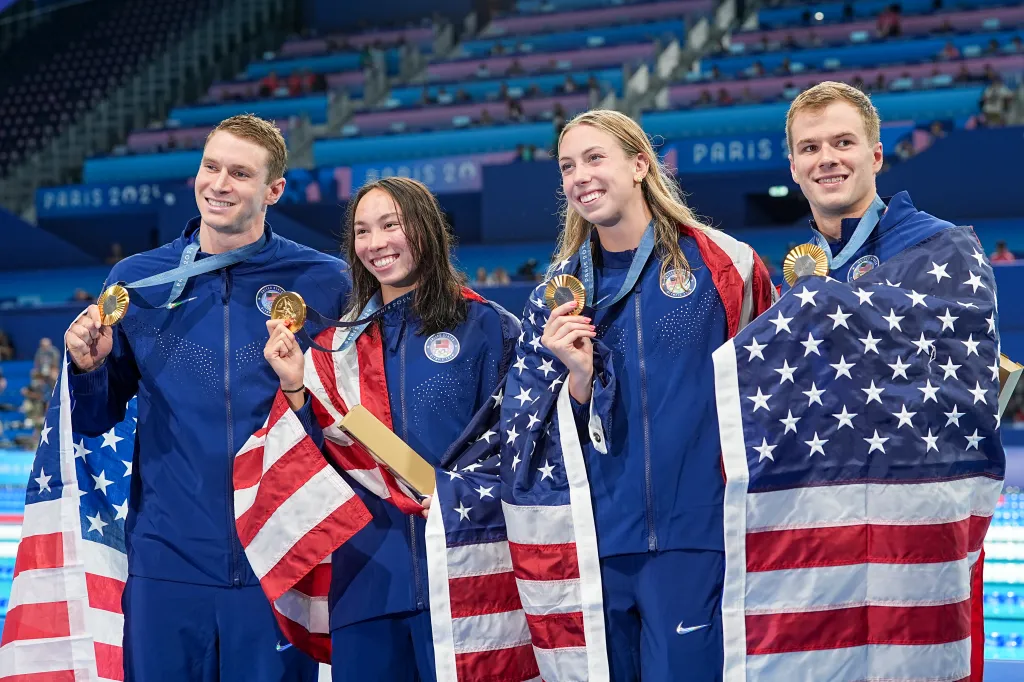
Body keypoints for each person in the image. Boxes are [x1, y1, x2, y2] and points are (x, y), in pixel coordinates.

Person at [63, 114, 346, 681]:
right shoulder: (137, 281)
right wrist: (87, 369)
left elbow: (344, 417)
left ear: (274, 190)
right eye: (210, 167)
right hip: (168, 559)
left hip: (278, 554)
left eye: (240, 173)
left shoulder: (323, 281)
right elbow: (97, 418)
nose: (218, 183)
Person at [533, 109, 773, 680]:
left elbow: (770, 395)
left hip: (699, 534)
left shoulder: (727, 264)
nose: (580, 176)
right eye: (568, 166)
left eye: (595, 158)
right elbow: (533, 428)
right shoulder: (560, 292)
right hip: (595, 545)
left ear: (641, 165)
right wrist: (578, 380)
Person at [258, 177, 520, 681]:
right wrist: (295, 389)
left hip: (467, 576)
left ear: (425, 230)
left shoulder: (488, 328)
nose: (375, 243)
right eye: (362, 230)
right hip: (367, 583)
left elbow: (515, 449)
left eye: (390, 225)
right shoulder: (333, 350)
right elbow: (311, 472)